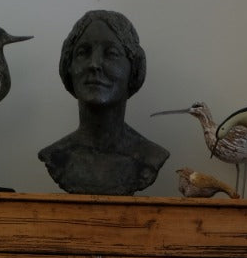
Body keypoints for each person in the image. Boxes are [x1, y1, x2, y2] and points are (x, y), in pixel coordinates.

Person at [39, 10, 169, 195]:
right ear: (68, 66)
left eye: (111, 53)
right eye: (83, 52)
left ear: (134, 69)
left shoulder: (150, 157)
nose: (94, 64)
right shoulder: (56, 156)